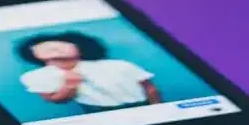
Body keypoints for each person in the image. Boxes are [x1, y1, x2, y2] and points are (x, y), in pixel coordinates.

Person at [16, 31, 162, 113]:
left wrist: (158, 110)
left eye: (63, 44)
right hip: (97, 111)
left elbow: (150, 88)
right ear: (32, 53)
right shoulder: (35, 77)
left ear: (80, 47)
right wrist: (70, 86)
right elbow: (55, 100)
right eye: (42, 46)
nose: (53, 47)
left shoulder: (119, 65)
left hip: (142, 107)